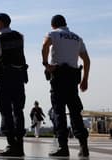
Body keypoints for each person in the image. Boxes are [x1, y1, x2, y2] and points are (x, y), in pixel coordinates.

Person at [42, 14, 90, 157]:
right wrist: (85, 79)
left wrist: (46, 64)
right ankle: (83, 146)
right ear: (65, 24)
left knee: (59, 113)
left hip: (59, 77)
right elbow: (86, 60)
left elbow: (45, 46)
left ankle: (63, 147)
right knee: (76, 113)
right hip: (72, 78)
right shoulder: (77, 38)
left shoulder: (53, 34)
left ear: (53, 25)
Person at [0, 13, 28, 157]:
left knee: (5, 111)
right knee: (18, 110)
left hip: (5, 78)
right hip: (19, 77)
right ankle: (19, 144)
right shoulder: (20, 37)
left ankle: (11, 144)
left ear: (1, 23)